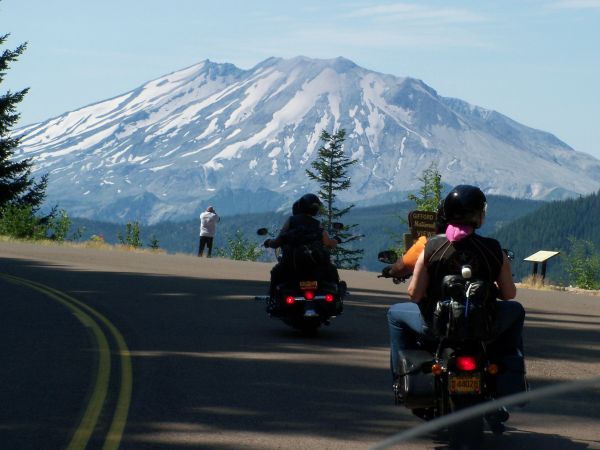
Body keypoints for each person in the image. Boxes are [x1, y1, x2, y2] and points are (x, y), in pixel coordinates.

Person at [387, 185, 525, 428]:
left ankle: (401, 378)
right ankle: (506, 359)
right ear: (479, 216)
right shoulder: (494, 249)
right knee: (517, 311)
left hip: (436, 327)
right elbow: (509, 294)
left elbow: (414, 294)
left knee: (395, 316)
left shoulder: (431, 247)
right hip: (484, 326)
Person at [263, 193, 340, 299]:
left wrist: (268, 242)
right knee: (332, 270)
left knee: (276, 272)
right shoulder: (317, 224)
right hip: (315, 266)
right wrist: (336, 240)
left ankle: (272, 299)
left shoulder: (291, 221)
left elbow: (277, 241)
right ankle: (337, 297)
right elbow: (328, 243)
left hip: (292, 266)